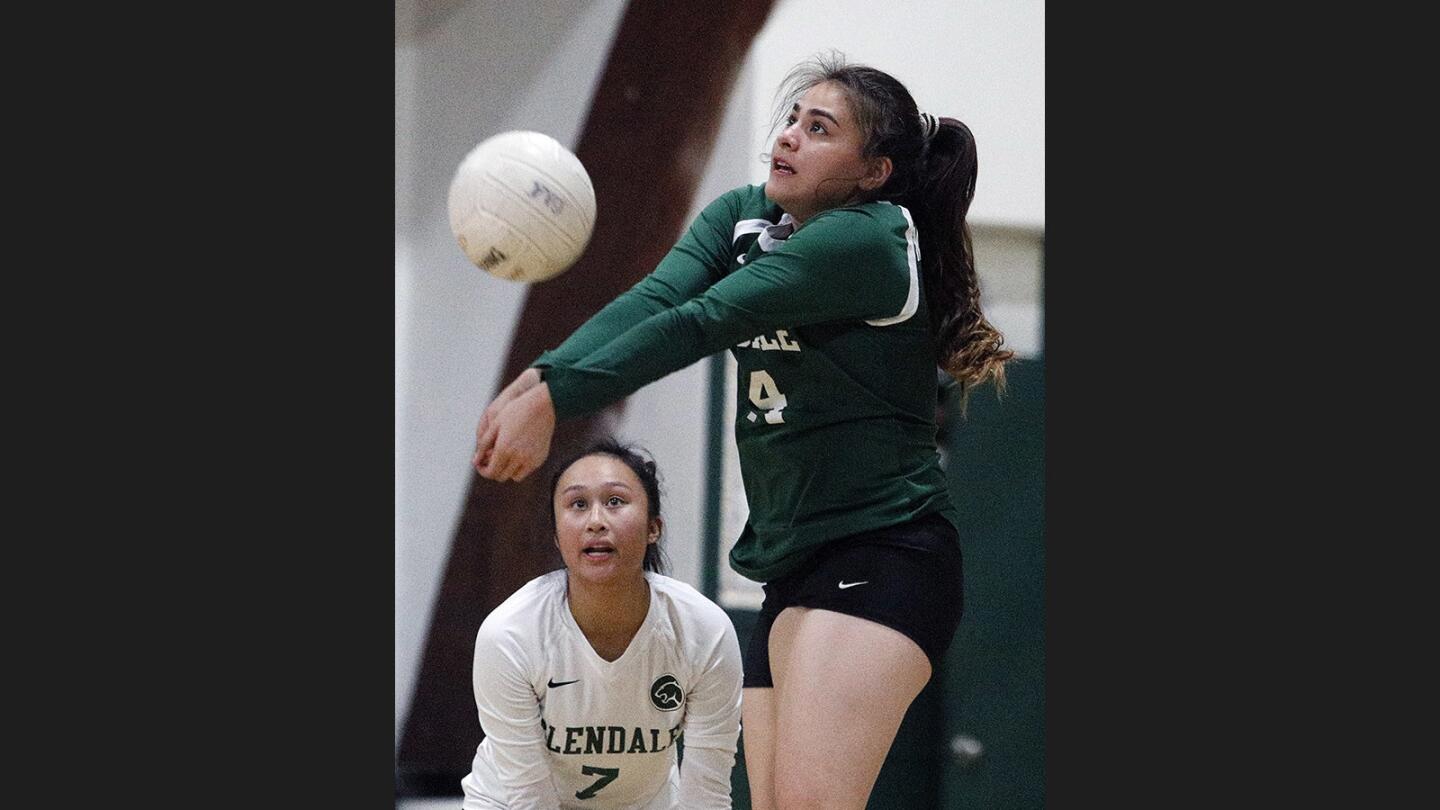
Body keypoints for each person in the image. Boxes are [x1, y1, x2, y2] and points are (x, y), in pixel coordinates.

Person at [472, 51, 1012, 810]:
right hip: (794, 560)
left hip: (885, 547)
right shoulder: (742, 216)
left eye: (819, 128)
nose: (788, 136)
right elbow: (656, 298)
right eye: (792, 118)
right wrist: (541, 378)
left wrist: (558, 400)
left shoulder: (868, 241)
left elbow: (705, 320)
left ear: (874, 172)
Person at [460, 439, 743, 809]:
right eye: (578, 504)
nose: (596, 521)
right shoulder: (510, 634)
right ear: (558, 537)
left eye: (615, 501)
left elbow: (706, 794)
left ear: (653, 528)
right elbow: (529, 797)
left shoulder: (705, 631)